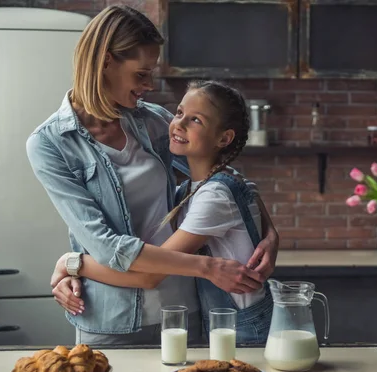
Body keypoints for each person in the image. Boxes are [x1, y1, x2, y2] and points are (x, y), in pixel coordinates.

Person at [25, 5, 278, 345]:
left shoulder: (154, 121)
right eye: (141, 74)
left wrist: (272, 233)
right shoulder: (50, 144)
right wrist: (206, 267)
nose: (149, 84)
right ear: (106, 61)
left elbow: (219, 177)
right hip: (109, 321)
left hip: (183, 311)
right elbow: (107, 248)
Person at [52, 80, 273, 344]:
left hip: (242, 329)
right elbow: (243, 186)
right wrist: (272, 234)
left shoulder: (213, 196)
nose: (178, 124)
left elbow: (150, 274)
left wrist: (70, 262)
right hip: (224, 323)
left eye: (196, 120)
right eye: (179, 113)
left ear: (224, 138)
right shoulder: (191, 190)